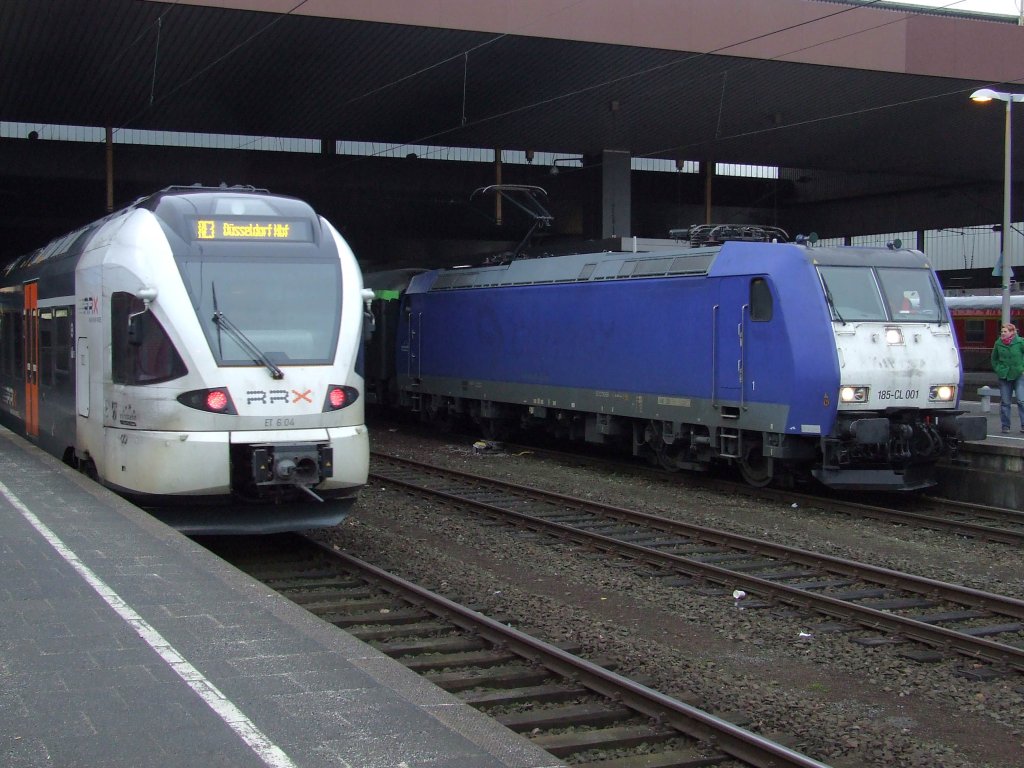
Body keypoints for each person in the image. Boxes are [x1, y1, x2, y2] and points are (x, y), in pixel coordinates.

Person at [990, 322, 1024, 434]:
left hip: (1018, 374)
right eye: (1002, 331)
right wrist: (998, 369)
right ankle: (1005, 426)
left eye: (1005, 331)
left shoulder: (1020, 342)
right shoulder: (998, 343)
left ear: (1012, 332)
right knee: (1005, 402)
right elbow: (994, 359)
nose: (1003, 333)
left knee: (1021, 400)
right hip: (1004, 375)